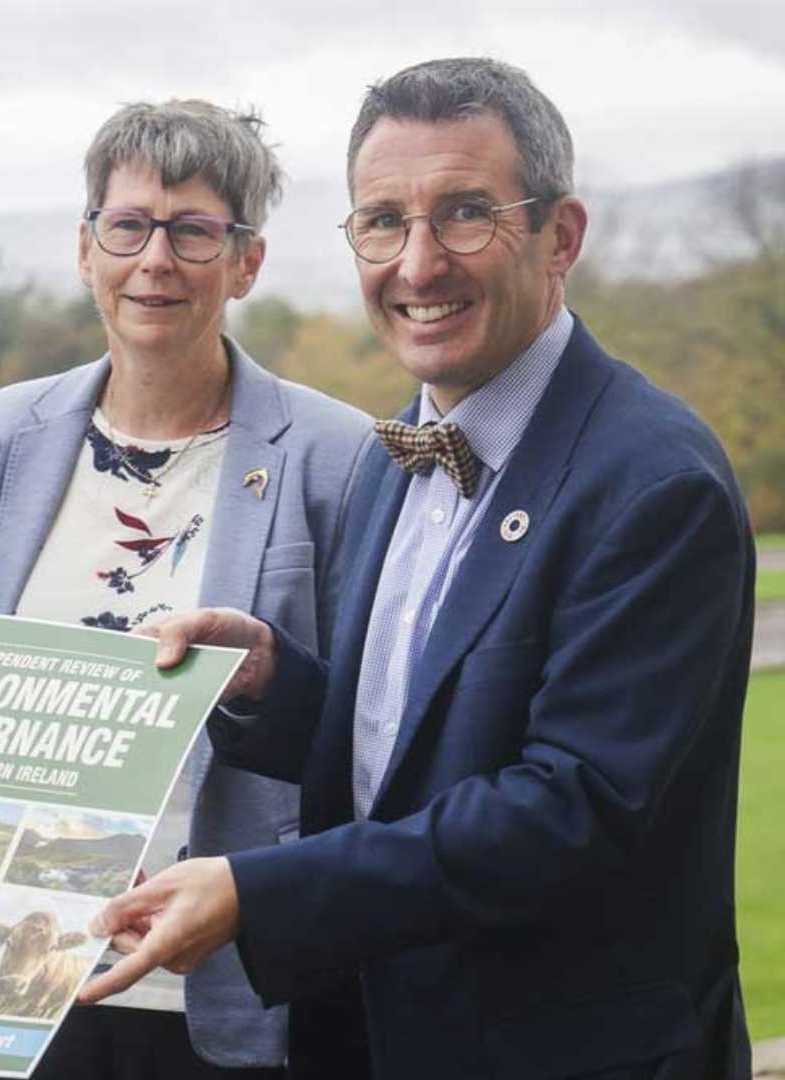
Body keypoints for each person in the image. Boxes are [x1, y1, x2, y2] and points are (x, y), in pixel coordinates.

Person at [82, 58, 755, 1080]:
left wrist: (260, 893)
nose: (418, 263)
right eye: (382, 221)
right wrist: (272, 679)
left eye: (467, 214)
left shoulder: (656, 482)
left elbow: (569, 810)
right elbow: (411, 751)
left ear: (560, 236)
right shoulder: (393, 450)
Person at [0, 100, 369, 1079]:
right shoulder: (6, 433)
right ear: (86, 248)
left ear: (247, 262)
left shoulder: (338, 456)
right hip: (20, 968)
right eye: (128, 226)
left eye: (195, 231)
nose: (155, 260)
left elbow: (363, 735)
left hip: (216, 979)